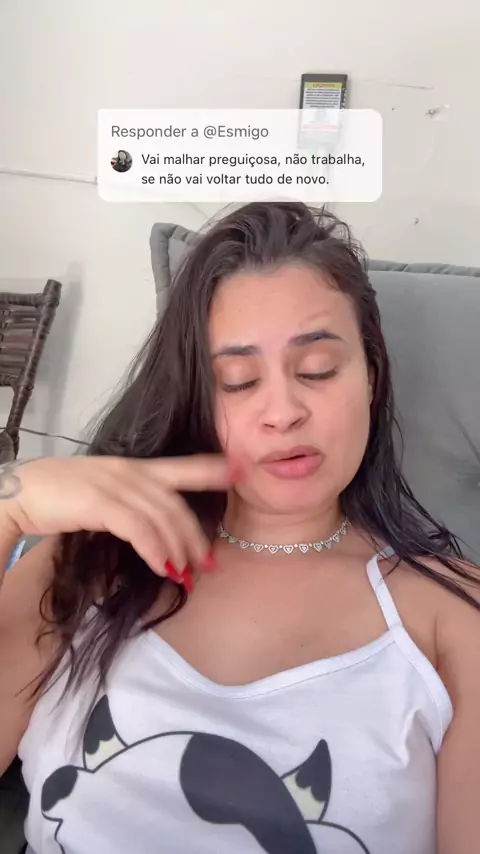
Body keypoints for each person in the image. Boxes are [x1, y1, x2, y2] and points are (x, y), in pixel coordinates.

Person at [0, 201, 479, 854]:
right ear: (197, 398)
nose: (282, 411)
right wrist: (11, 504)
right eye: (238, 380)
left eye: (317, 370)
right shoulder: (93, 562)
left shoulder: (452, 616)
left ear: (371, 374)